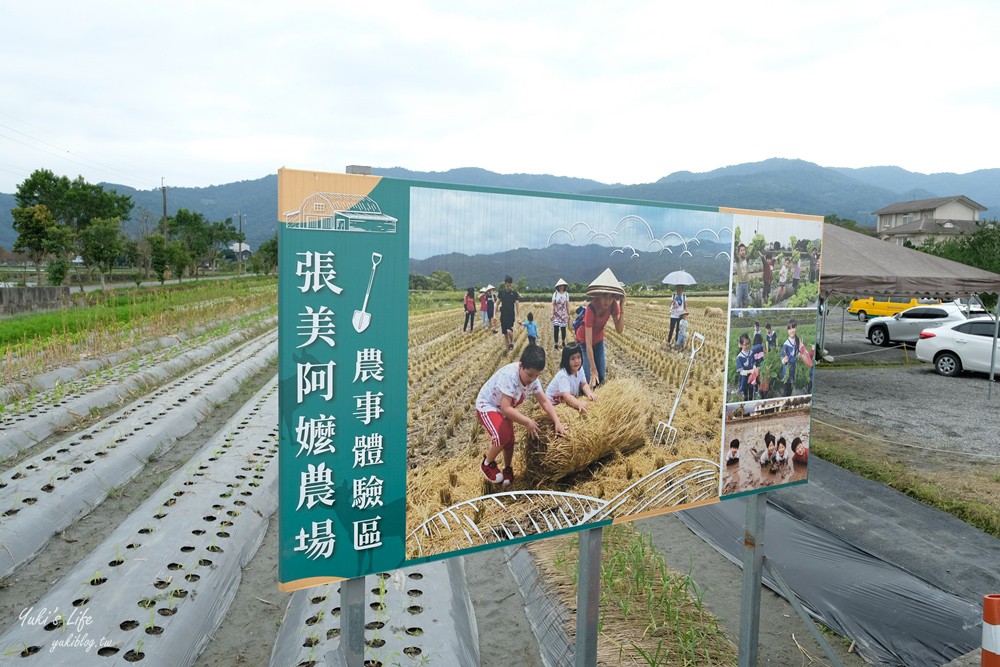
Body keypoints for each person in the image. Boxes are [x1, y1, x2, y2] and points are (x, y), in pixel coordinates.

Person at [475, 344, 565, 487]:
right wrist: (528, 422)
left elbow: (543, 400)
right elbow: (505, 408)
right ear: (521, 366)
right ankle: (487, 463)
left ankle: (508, 469)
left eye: (537, 375)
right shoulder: (510, 376)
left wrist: (557, 421)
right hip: (488, 405)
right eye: (530, 374)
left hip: (505, 407)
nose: (532, 379)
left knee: (510, 440)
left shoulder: (533, 379)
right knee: (502, 435)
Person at [576, 268, 625, 387]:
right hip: (584, 343)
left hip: (598, 342)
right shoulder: (591, 309)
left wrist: (622, 307)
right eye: (604, 295)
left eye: (611, 296)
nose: (607, 301)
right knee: (588, 378)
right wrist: (593, 369)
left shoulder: (613, 305)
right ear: (599, 294)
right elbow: (588, 344)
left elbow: (619, 330)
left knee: (601, 378)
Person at [545, 343, 597, 413]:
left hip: (566, 397)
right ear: (566, 361)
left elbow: (583, 384)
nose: (577, 361)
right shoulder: (563, 376)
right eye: (573, 358)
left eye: (578, 357)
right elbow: (566, 396)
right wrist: (579, 404)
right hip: (553, 403)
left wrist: (589, 393)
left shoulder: (580, 369)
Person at [497, 275, 521, 352]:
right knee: (505, 334)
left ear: (512, 284)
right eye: (507, 285)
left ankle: (512, 341)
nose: (509, 287)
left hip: (511, 315)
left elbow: (517, 305)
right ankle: (507, 349)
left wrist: (519, 316)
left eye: (510, 285)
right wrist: (494, 314)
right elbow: (496, 304)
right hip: (503, 315)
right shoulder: (501, 292)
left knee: (509, 330)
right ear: (505, 284)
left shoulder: (514, 293)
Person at [781, 319, 802, 397]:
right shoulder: (786, 344)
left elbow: (799, 351)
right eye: (789, 329)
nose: (791, 330)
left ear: (796, 328)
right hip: (787, 370)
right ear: (787, 331)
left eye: (793, 328)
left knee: (791, 388)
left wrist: (800, 354)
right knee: (786, 390)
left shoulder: (798, 340)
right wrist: (784, 360)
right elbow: (782, 356)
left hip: (794, 369)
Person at [735, 333, 757, 402]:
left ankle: (750, 400)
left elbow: (753, 363)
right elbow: (741, 372)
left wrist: (754, 368)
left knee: (751, 393)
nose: (747, 346)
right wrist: (750, 371)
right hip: (744, 379)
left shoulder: (751, 353)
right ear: (741, 345)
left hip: (751, 378)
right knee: (745, 395)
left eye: (748, 343)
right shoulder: (739, 357)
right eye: (745, 344)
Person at [734, 243, 750, 309]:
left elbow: (751, 252)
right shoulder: (738, 259)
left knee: (746, 301)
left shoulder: (746, 258)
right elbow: (734, 253)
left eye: (744, 250)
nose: (743, 252)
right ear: (739, 252)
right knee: (738, 303)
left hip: (746, 284)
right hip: (740, 285)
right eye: (741, 250)